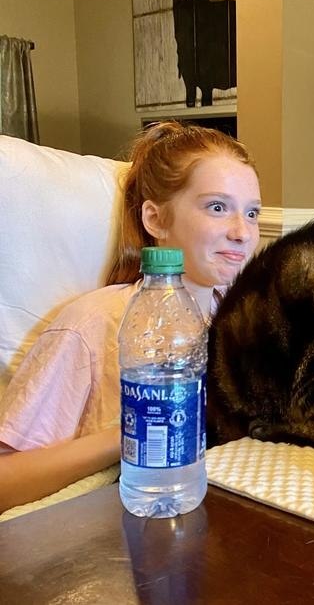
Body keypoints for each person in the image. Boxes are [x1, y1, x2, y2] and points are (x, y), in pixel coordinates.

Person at [0, 121, 261, 513]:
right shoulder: (95, 323)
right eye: (218, 207)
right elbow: (5, 482)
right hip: (129, 519)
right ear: (155, 219)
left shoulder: (243, 321)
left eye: (252, 212)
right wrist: (134, 428)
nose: (242, 232)